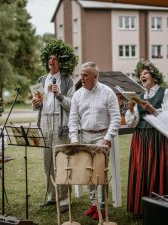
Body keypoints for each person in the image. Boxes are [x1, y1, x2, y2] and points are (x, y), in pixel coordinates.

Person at [125, 60, 168, 217]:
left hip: (158, 138)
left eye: (146, 73)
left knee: (158, 171)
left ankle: (161, 209)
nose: (142, 75)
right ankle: (142, 209)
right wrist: (130, 109)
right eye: (140, 74)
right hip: (141, 139)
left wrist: (153, 110)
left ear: (154, 76)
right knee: (142, 172)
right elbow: (132, 122)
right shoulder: (139, 96)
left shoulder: (165, 93)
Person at [68, 62, 121, 220]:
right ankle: (93, 204)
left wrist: (107, 138)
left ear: (95, 77)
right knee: (87, 172)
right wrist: (74, 138)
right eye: (81, 74)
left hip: (101, 136)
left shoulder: (108, 92)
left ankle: (102, 207)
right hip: (84, 136)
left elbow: (116, 118)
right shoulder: (77, 95)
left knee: (99, 172)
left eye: (85, 75)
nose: (82, 78)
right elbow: (72, 119)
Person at [32, 39, 78, 213]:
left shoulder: (67, 81)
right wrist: (35, 103)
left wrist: (59, 95)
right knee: (47, 162)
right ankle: (52, 197)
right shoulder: (41, 79)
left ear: (61, 62)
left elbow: (73, 105)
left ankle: (65, 199)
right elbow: (36, 102)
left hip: (60, 124)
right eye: (49, 58)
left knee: (60, 161)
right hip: (44, 122)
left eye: (55, 59)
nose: (51, 61)